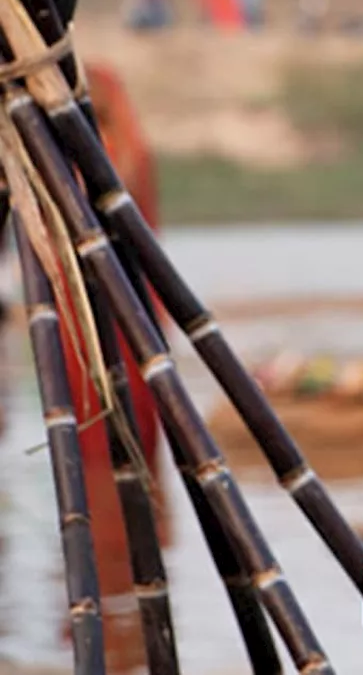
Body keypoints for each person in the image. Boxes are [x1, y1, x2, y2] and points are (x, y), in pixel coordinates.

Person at [59, 63, 167, 669]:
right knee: (92, 449)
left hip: (128, 320)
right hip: (84, 327)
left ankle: (131, 552)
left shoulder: (121, 158)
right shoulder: (68, 162)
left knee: (134, 448)